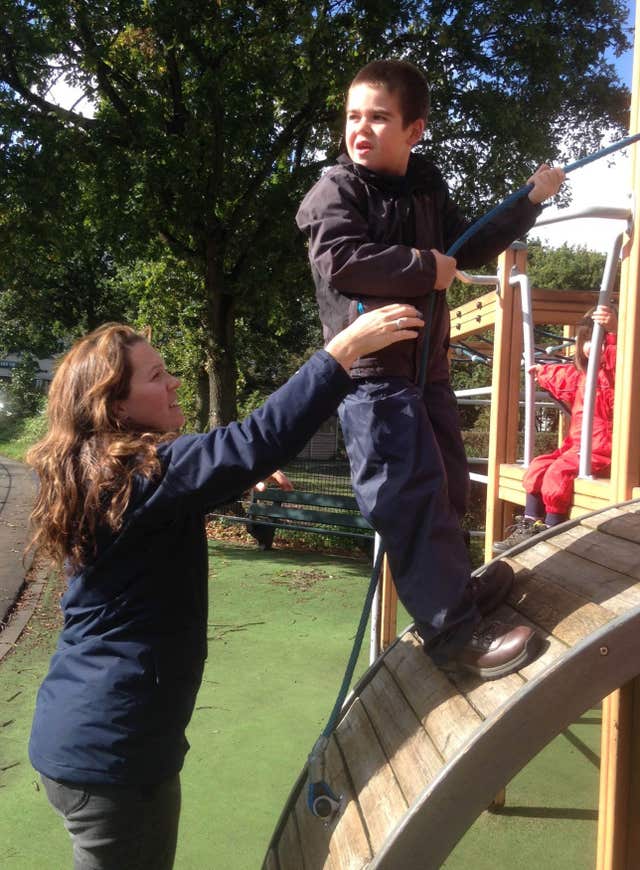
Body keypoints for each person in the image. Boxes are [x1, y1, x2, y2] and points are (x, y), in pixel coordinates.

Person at [25, 303, 423, 870]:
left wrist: (235, 483)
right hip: (112, 755)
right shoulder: (143, 473)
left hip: (87, 740)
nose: (175, 382)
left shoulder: (104, 474)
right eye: (157, 376)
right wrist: (343, 351)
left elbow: (167, 510)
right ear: (115, 405)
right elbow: (254, 439)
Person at [296, 58, 566, 679]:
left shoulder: (424, 185)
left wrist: (527, 201)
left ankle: (458, 594)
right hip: (372, 380)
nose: (360, 129)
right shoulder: (335, 192)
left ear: (413, 130)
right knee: (409, 497)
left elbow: (463, 245)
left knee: (446, 482)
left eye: (378, 118)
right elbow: (343, 261)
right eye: (352, 116)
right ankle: (453, 634)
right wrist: (424, 268)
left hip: (427, 374)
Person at [494, 304, 617, 551]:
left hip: (605, 450)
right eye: (585, 341)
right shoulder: (582, 376)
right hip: (578, 447)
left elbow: (623, 358)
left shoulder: (616, 374)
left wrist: (614, 331)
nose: (591, 347)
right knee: (539, 465)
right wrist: (542, 372)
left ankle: (553, 526)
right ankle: (530, 523)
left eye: (599, 341)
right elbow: (563, 377)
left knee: (557, 473)